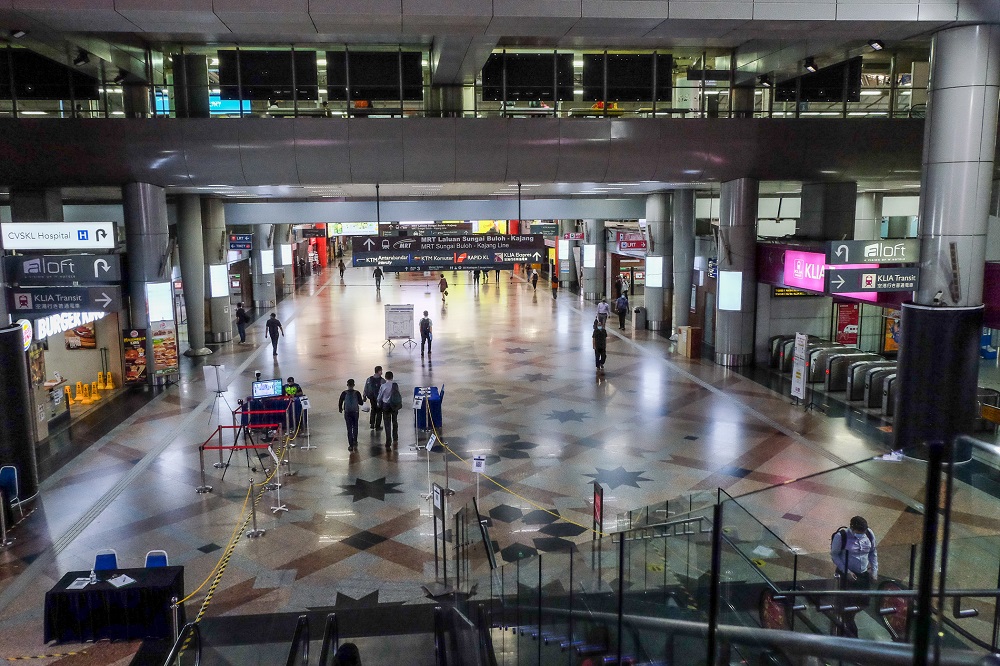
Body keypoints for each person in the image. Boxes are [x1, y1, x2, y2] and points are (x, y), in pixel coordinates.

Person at [830, 516, 878, 638]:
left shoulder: (869, 534)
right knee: (847, 604)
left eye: (863, 532)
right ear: (852, 528)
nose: (862, 534)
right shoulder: (841, 537)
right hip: (846, 576)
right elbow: (835, 555)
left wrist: (874, 570)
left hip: (863, 575)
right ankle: (849, 629)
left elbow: (873, 552)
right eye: (859, 532)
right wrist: (847, 571)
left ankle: (849, 619)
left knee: (864, 601)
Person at [377, 371, 402, 449]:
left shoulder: (383, 386)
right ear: (392, 377)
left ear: (385, 377)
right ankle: (395, 436)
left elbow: (379, 397)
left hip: (386, 406)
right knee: (395, 421)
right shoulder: (395, 385)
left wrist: (378, 403)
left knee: (387, 423)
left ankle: (388, 441)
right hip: (394, 405)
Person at [338, 379, 363, 451]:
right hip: (355, 412)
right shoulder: (357, 393)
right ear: (354, 385)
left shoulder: (344, 393)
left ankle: (350, 445)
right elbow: (361, 403)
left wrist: (340, 408)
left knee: (349, 428)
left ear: (347, 385)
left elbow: (340, 401)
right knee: (355, 426)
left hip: (347, 412)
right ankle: (355, 440)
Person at [363, 366, 385, 431]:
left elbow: (366, 388)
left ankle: (372, 424)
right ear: (378, 371)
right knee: (379, 411)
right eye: (381, 370)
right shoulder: (382, 380)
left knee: (373, 409)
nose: (382, 372)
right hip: (379, 398)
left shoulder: (369, 379)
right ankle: (377, 426)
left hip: (371, 397)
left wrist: (364, 396)